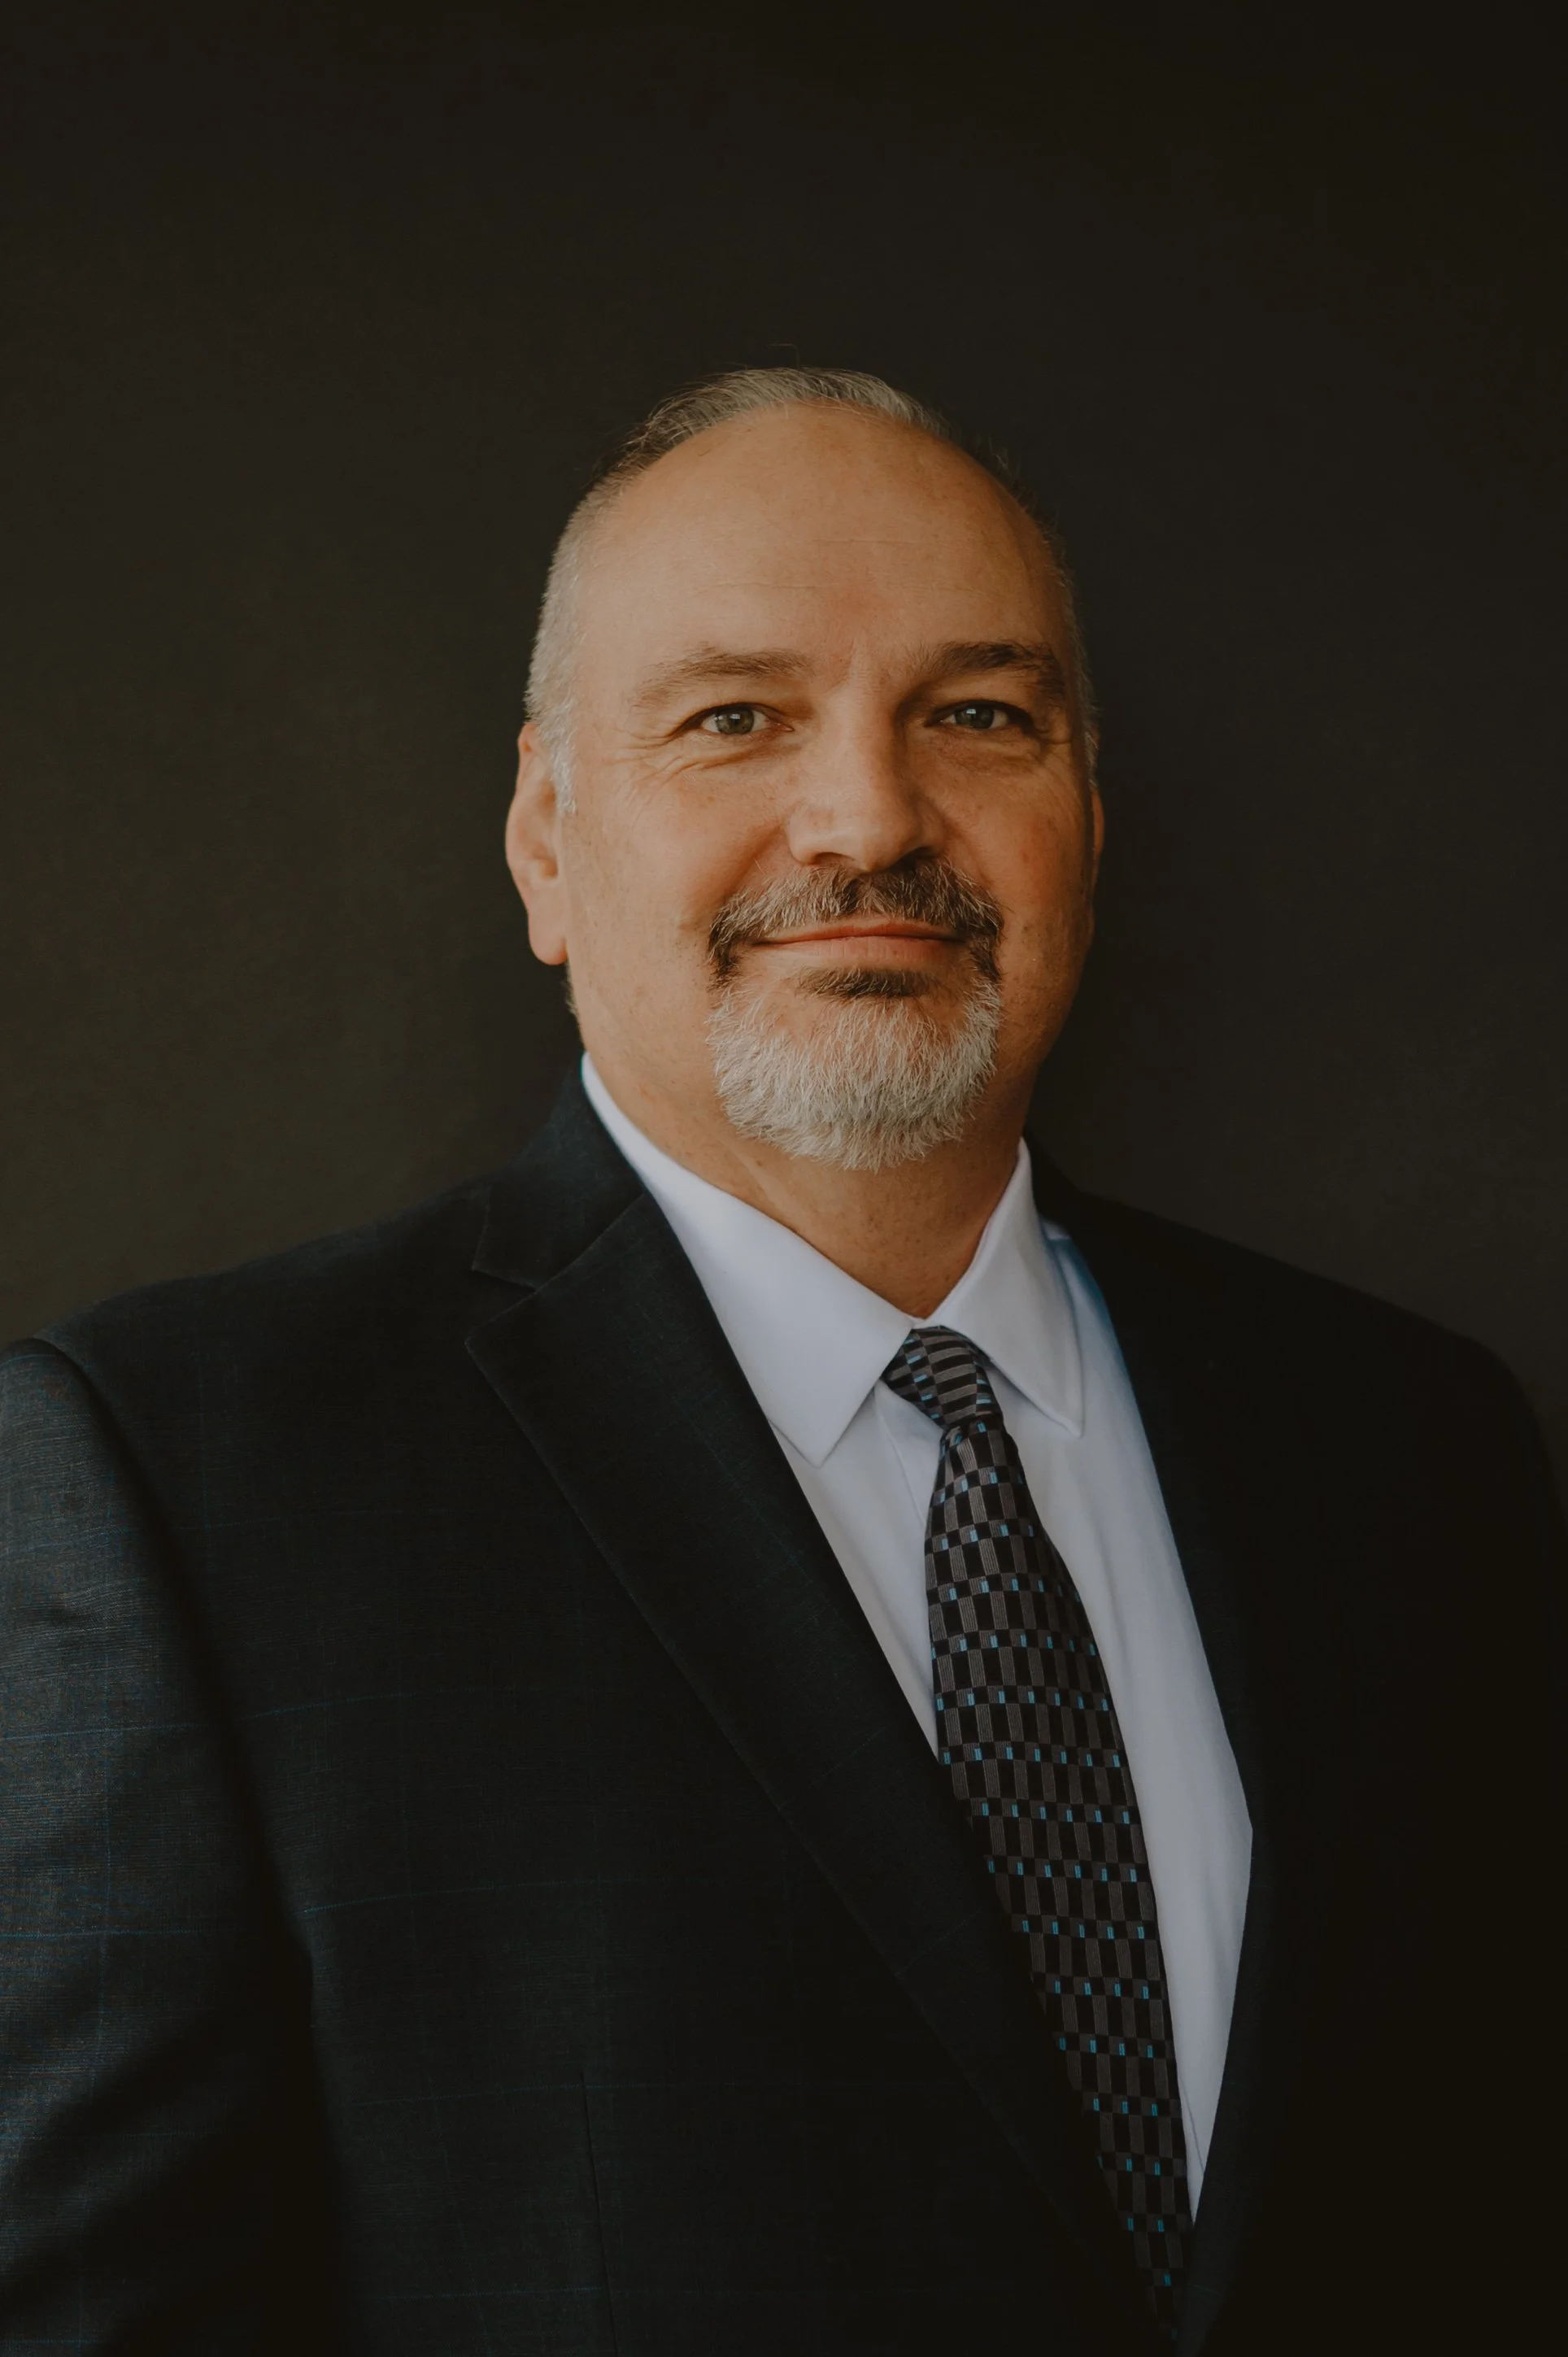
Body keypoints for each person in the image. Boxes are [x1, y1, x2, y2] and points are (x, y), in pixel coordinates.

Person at [0, 368, 1560, 2357]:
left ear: (1086, 820)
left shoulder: (1409, 1452)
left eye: (976, 716)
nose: (869, 819)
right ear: (548, 842)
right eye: (734, 716)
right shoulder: (186, 1484)